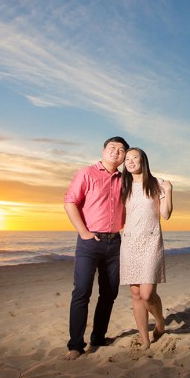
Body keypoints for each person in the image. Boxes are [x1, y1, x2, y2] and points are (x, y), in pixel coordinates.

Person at [62, 136, 129, 360]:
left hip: (115, 243)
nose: (116, 152)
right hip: (90, 242)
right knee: (82, 292)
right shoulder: (86, 173)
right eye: (112, 148)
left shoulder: (125, 180)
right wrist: (83, 232)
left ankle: (98, 337)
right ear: (103, 151)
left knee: (109, 293)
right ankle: (75, 345)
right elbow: (70, 201)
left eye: (121, 150)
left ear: (124, 156)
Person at [119, 147, 173, 349]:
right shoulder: (123, 185)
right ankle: (144, 339)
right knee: (135, 294)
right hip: (130, 242)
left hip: (151, 241)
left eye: (135, 157)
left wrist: (168, 192)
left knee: (148, 294)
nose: (130, 161)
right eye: (127, 159)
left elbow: (166, 215)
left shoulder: (156, 184)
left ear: (143, 161)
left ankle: (159, 322)